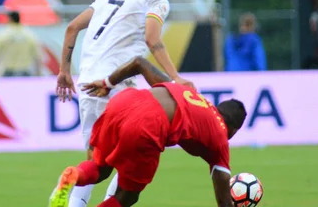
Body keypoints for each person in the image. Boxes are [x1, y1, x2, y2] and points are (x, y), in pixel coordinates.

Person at [54, 0, 194, 207]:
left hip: (87, 84)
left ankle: (69, 186)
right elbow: (153, 39)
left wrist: (64, 71)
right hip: (118, 86)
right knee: (131, 159)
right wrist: (175, 78)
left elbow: (72, 27)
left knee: (94, 162)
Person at [49, 56, 246, 207]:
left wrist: (108, 83)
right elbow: (223, 198)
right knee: (128, 194)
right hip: (148, 123)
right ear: (233, 130)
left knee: (100, 167)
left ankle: (73, 175)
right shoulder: (220, 136)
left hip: (124, 102)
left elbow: (140, 63)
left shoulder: (190, 95)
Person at [0, 11, 42, 77]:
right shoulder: (29, 35)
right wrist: (39, 74)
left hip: (7, 72)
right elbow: (37, 57)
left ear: (10, 19)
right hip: (25, 72)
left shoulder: (3, 35)